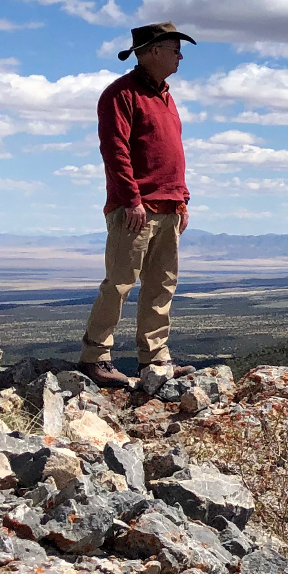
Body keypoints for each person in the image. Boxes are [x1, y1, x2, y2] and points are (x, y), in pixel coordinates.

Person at [79, 22, 199, 389]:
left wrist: (182, 199)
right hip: (136, 208)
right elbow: (115, 150)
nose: (180, 57)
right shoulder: (121, 94)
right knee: (119, 283)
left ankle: (156, 358)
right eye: (175, 49)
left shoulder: (166, 97)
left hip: (168, 207)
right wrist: (131, 199)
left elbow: (171, 155)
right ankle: (95, 357)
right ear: (153, 51)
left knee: (162, 285)